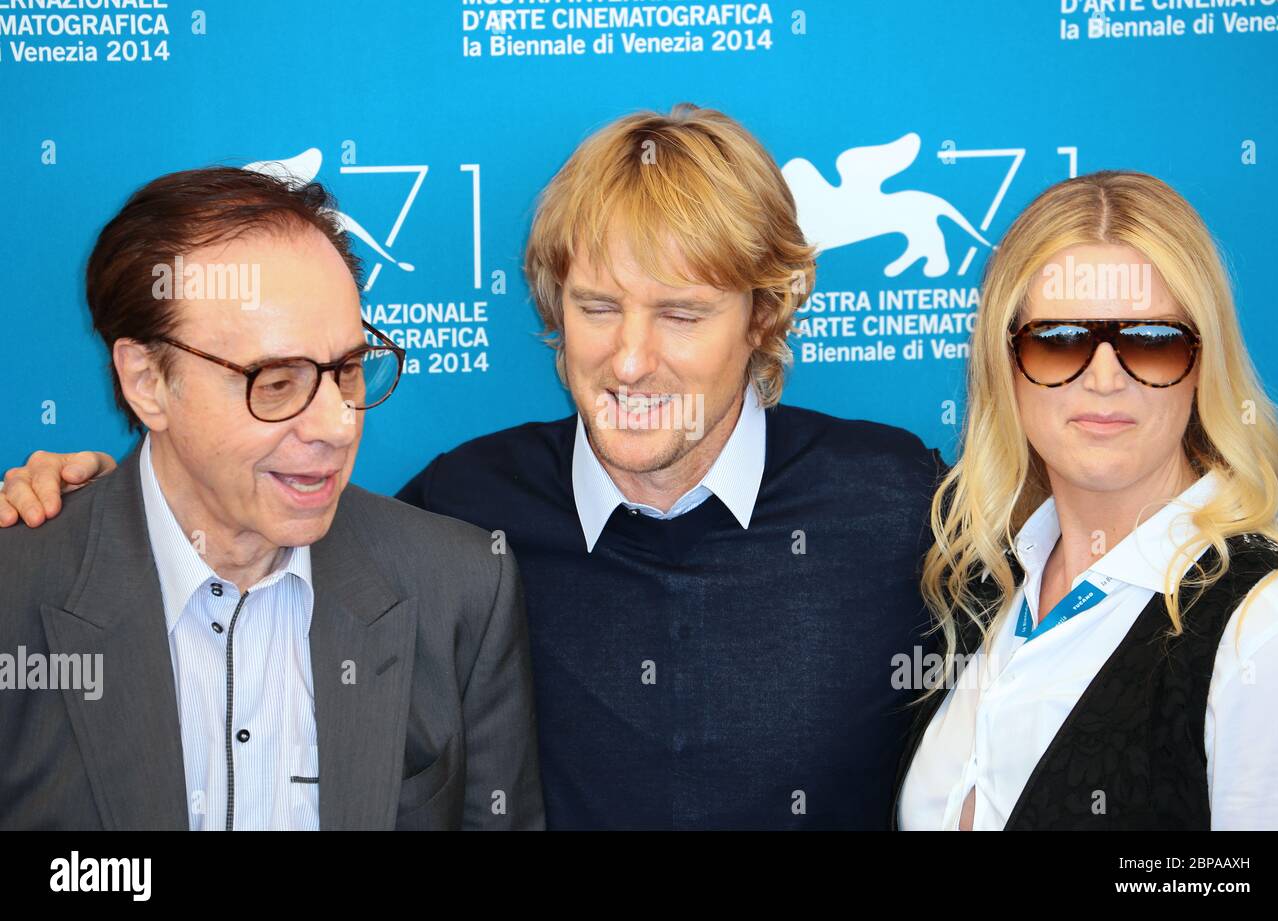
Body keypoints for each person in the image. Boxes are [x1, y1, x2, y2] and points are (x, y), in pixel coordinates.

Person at [1, 104, 940, 829]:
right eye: (597, 306)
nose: (630, 359)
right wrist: (93, 502)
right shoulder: (465, 514)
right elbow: (234, 511)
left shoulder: (901, 504)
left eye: (683, 313)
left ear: (764, 317)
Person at [0, 167, 544, 830]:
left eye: (346, 369)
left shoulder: (460, 589)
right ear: (147, 381)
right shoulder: (18, 588)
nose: (338, 425)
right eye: (277, 382)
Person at [893, 170, 1278, 831]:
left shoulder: (1268, 631)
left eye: (1151, 339)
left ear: (1202, 365)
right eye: (1059, 340)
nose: (1105, 378)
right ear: (1005, 362)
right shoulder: (984, 588)